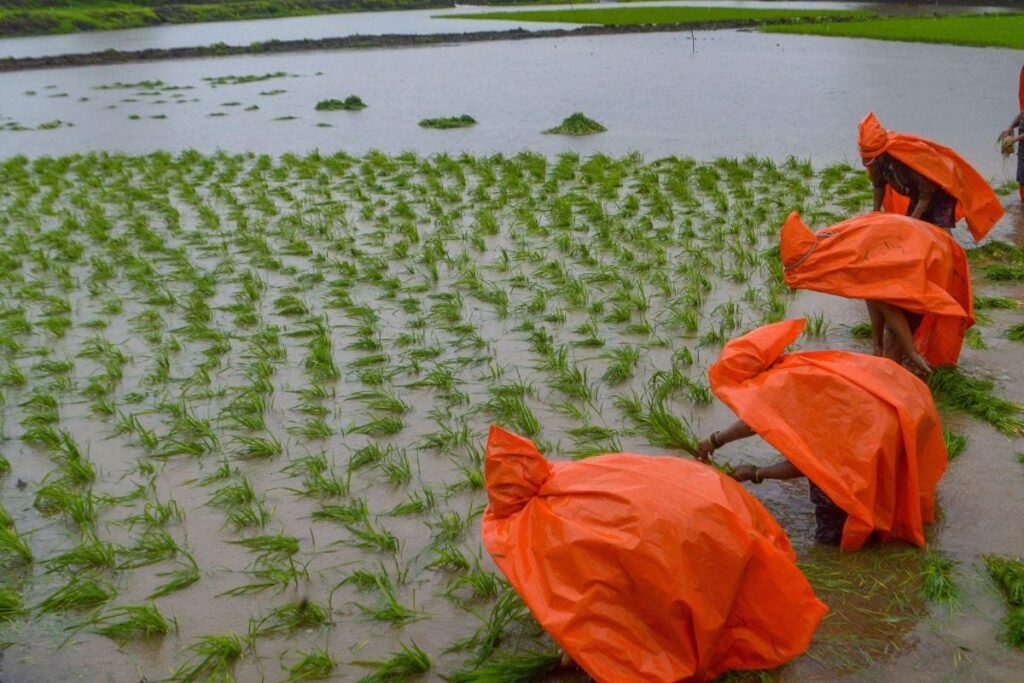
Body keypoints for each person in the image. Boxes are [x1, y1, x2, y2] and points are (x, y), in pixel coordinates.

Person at [481, 425, 827, 682]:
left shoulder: (545, 529)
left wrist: (582, 651)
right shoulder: (583, 471)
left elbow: (587, 600)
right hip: (706, 497)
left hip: (683, 529)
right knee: (733, 580)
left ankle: (705, 653)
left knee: (687, 600)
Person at [696, 319, 949, 551]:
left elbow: (810, 463)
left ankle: (847, 546)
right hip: (907, 402)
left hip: (882, 425)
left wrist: (757, 473)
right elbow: (754, 421)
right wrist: (716, 440)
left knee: (832, 520)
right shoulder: (790, 367)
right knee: (884, 484)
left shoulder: (778, 389)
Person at [780, 211, 974, 373]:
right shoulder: (832, 247)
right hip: (912, 243)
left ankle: (898, 383)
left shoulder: (847, 260)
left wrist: (911, 351)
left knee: (896, 335)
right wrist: (876, 345)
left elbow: (888, 309)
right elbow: (871, 296)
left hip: (926, 256)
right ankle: (899, 369)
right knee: (893, 338)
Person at [859, 112, 1004, 241]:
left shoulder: (909, 162)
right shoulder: (877, 166)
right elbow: (878, 186)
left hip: (940, 189)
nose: (870, 164)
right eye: (867, 160)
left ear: (883, 153)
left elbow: (926, 195)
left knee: (940, 225)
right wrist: (875, 213)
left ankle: (953, 253)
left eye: (873, 159)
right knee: (918, 230)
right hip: (917, 194)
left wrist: (912, 220)